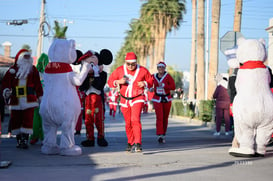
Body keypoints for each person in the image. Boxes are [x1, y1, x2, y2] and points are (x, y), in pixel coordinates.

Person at [107, 52, 153, 152]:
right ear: (125, 62)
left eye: (133, 64)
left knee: (135, 119)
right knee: (128, 123)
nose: (131, 66)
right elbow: (110, 81)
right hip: (124, 99)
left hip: (138, 97)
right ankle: (130, 142)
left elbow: (151, 81)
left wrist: (144, 83)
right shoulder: (119, 70)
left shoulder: (143, 70)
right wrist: (118, 82)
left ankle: (138, 143)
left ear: (136, 62)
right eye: (128, 64)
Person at [1, 49, 43, 149]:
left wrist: (40, 95)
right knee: (16, 120)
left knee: (28, 120)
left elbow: (38, 84)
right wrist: (6, 90)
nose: (27, 59)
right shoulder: (12, 70)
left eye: (28, 57)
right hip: (16, 99)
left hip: (29, 99)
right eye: (25, 57)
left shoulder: (33, 70)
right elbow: (6, 82)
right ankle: (19, 139)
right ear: (20, 58)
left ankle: (24, 139)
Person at [80, 50, 112, 147]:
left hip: (97, 98)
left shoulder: (103, 74)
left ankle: (101, 137)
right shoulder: (85, 75)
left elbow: (99, 86)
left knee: (99, 119)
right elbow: (82, 87)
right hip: (88, 99)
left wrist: (96, 74)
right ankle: (90, 138)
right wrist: (85, 74)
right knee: (88, 120)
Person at [150, 62, 175, 143]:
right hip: (157, 98)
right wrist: (150, 88)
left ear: (164, 68)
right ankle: (159, 134)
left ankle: (163, 133)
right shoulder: (153, 76)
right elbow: (148, 83)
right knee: (159, 116)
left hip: (167, 98)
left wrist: (164, 85)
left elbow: (173, 87)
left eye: (162, 67)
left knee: (165, 117)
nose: (160, 69)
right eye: (159, 67)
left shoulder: (168, 76)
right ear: (157, 68)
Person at [29, 53, 49, 145]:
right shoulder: (35, 73)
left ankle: (42, 137)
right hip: (37, 99)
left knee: (43, 119)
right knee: (37, 119)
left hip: (44, 99)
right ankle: (36, 136)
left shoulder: (49, 75)